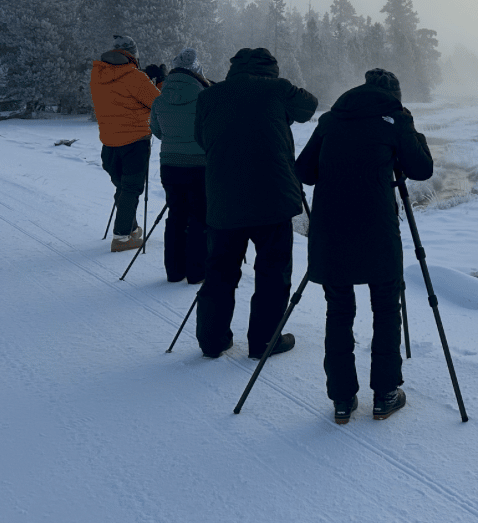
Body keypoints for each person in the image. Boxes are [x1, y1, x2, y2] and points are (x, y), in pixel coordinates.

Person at [294, 68, 433, 424]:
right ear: (395, 96)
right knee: (386, 308)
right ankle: (385, 394)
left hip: (330, 233)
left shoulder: (331, 119)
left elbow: (304, 172)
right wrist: (411, 131)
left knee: (338, 311)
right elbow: (421, 169)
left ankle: (342, 399)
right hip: (378, 233)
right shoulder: (395, 120)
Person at [193, 47, 317, 360]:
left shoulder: (210, 96)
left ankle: (212, 341)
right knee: (273, 272)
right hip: (271, 198)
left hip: (223, 198)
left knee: (220, 270)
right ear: (271, 70)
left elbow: (201, 138)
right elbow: (309, 107)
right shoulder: (277, 89)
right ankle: (264, 341)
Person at [89, 34, 161, 253]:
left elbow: (121, 98)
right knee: (131, 188)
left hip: (109, 144)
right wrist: (159, 81)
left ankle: (130, 228)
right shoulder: (134, 78)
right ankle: (121, 237)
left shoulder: (98, 75)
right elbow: (158, 103)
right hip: (134, 142)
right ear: (133, 54)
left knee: (123, 187)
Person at [149, 47, 211, 284]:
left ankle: (174, 271)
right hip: (199, 166)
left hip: (170, 165)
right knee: (198, 216)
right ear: (197, 70)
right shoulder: (205, 96)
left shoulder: (160, 98)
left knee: (176, 214)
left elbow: (156, 131)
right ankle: (196, 272)